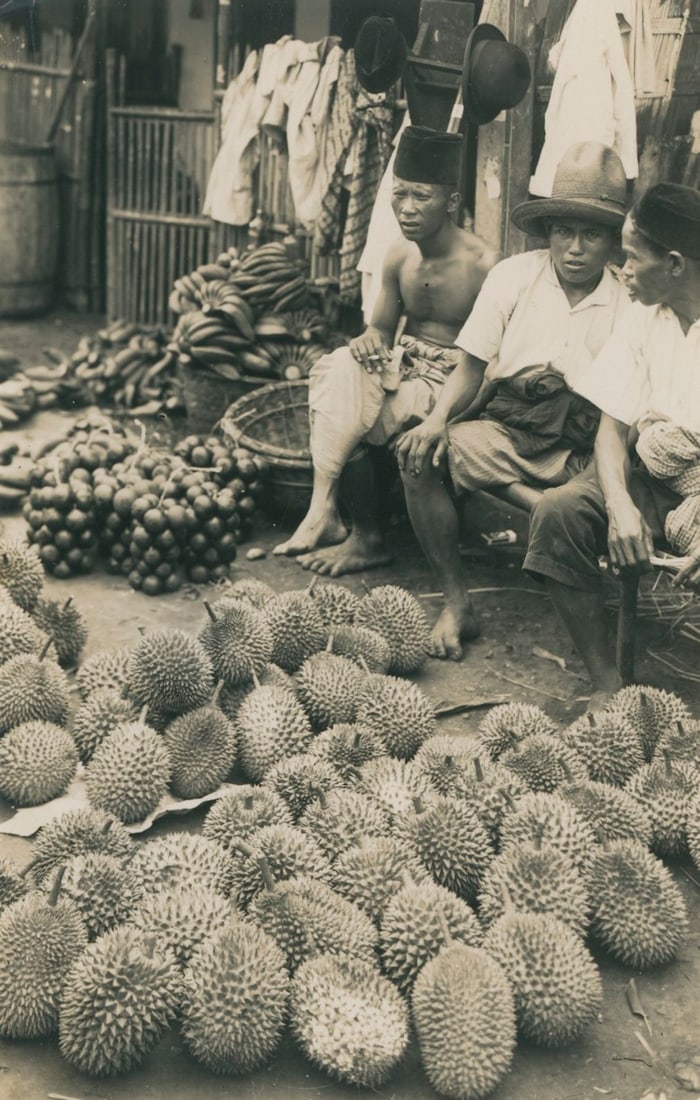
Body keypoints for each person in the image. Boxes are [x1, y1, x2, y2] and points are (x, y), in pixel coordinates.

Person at [394, 142, 632, 659]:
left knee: (575, 501)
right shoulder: (514, 277)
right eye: (563, 231)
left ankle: (590, 629)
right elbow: (472, 366)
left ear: (613, 241)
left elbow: (621, 419)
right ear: (547, 231)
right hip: (505, 430)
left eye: (591, 234)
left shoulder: (627, 303)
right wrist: (437, 419)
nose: (574, 248)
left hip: (582, 448)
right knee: (418, 456)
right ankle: (457, 603)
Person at [272, 124, 499, 574]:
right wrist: (368, 341)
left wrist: (450, 412)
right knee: (338, 368)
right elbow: (378, 328)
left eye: (421, 196)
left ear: (451, 202)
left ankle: (365, 535)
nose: (406, 209)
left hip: (457, 385)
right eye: (399, 195)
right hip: (405, 370)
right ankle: (324, 510)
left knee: (360, 410)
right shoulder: (398, 257)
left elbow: (492, 365)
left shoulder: (485, 265)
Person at [524, 181, 700, 709]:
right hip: (651, 472)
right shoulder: (644, 313)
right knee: (559, 514)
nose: (621, 270)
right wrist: (620, 504)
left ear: (674, 264)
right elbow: (610, 429)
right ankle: (608, 684)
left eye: (631, 257)